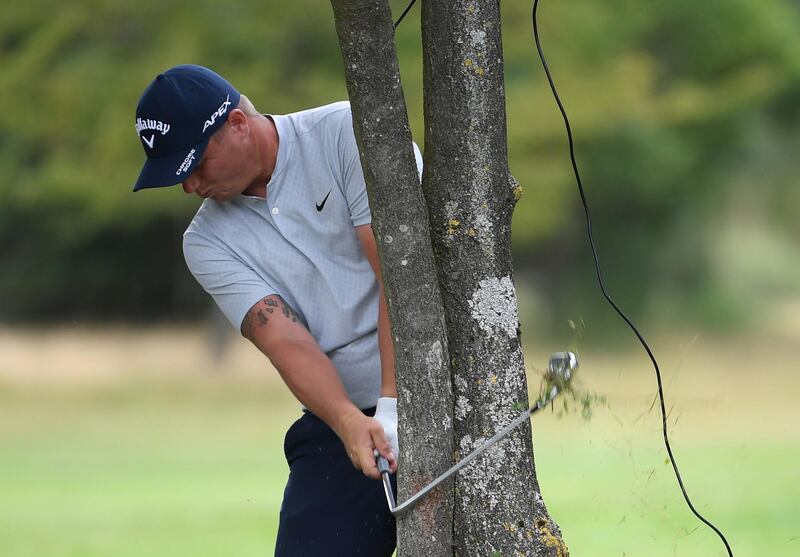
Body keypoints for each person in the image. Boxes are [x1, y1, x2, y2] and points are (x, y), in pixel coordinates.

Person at [132, 64, 419, 556]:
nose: (189, 186)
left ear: (238, 125)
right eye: (177, 175)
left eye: (194, 164)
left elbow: (400, 277)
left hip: (435, 390)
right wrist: (352, 421)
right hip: (340, 419)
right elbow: (286, 342)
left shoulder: (347, 133)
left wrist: (393, 405)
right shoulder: (206, 242)